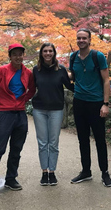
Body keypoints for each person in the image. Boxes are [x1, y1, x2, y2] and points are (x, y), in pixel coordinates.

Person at [0, 43, 35, 199]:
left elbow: (32, 88)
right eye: (15, 54)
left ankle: (11, 179)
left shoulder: (27, 73)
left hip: (21, 113)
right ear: (10, 56)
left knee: (16, 149)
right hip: (5, 113)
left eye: (20, 54)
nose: (18, 57)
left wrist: (25, 99)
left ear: (24, 56)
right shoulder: (2, 71)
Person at [69, 28, 111, 187]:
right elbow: (72, 76)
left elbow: (106, 80)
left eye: (84, 38)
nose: (81, 41)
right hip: (79, 102)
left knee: (100, 139)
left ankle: (104, 172)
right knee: (82, 139)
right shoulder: (73, 57)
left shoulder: (98, 56)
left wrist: (105, 104)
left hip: (96, 103)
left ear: (89, 40)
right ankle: (86, 171)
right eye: (79, 38)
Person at [32, 42, 74, 186]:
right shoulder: (35, 70)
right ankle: (44, 172)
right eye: (45, 51)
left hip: (56, 109)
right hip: (39, 109)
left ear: (54, 53)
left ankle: (52, 172)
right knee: (43, 142)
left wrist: (90, 86)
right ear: (41, 53)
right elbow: (30, 88)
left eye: (50, 51)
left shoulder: (60, 69)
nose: (48, 53)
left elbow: (71, 86)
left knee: (53, 142)